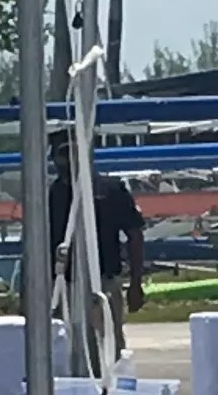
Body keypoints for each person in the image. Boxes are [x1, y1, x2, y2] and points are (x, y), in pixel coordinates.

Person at [51, 141, 148, 346]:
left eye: (72, 152)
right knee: (62, 345)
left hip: (105, 281)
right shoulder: (50, 195)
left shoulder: (111, 189)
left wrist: (136, 283)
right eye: (62, 154)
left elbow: (135, 235)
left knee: (109, 345)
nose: (67, 160)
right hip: (62, 285)